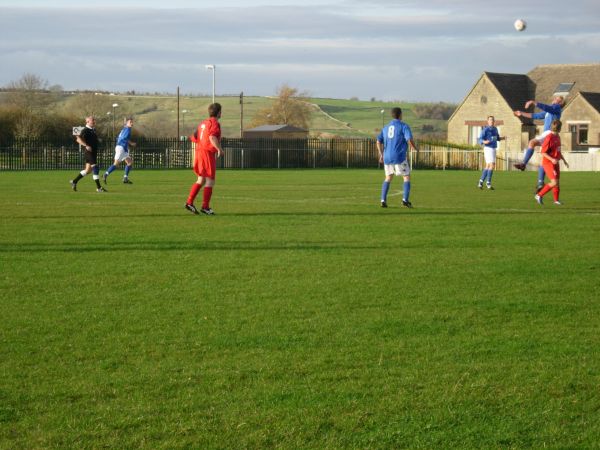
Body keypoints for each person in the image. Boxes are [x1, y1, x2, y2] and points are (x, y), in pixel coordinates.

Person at [513, 95, 564, 190]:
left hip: (550, 134)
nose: (554, 99)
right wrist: (521, 113)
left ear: (560, 103)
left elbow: (546, 107)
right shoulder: (549, 112)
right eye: (555, 98)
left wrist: (533, 102)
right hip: (548, 135)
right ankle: (540, 183)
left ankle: (523, 164)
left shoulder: (556, 108)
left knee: (532, 142)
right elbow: (535, 116)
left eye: (557, 99)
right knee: (543, 161)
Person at [185, 103, 224, 215]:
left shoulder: (203, 123)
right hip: (207, 153)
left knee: (201, 180)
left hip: (199, 152)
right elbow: (212, 137)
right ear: (218, 112)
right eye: (221, 111)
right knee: (210, 181)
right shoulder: (214, 123)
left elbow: (194, 137)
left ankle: (189, 202)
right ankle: (205, 207)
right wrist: (219, 149)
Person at [376, 107, 419, 208]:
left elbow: (378, 141)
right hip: (398, 156)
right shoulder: (403, 126)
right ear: (400, 115)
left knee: (388, 177)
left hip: (387, 157)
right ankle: (405, 200)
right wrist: (414, 147)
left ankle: (383, 200)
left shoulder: (386, 127)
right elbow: (409, 139)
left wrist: (381, 154)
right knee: (406, 176)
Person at [535, 120, 569, 205]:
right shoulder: (549, 137)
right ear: (559, 128)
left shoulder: (558, 137)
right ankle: (539, 195)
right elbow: (543, 152)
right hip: (548, 163)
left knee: (557, 182)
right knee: (554, 182)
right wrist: (552, 159)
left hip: (555, 162)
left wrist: (564, 160)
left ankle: (556, 200)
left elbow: (558, 151)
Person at [69, 116, 106, 192]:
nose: (94, 121)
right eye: (92, 120)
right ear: (87, 121)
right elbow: (78, 139)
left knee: (87, 171)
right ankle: (98, 188)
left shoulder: (93, 130)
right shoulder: (85, 130)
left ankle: (74, 181)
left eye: (94, 120)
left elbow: (92, 139)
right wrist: (86, 145)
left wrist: (98, 140)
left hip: (93, 152)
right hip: (89, 152)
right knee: (95, 168)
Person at [103, 117, 136, 184]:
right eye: (130, 122)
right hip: (121, 148)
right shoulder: (127, 129)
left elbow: (119, 137)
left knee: (129, 162)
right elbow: (124, 138)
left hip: (123, 148)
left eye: (132, 122)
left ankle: (125, 178)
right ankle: (105, 174)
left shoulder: (124, 128)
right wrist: (131, 143)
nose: (132, 123)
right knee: (116, 164)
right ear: (127, 123)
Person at [477, 115, 505, 190]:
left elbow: (496, 138)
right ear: (488, 121)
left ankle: (480, 181)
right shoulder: (485, 129)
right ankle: (488, 182)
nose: (491, 121)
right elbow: (480, 139)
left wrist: (502, 138)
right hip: (488, 148)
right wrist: (484, 141)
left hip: (493, 148)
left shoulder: (495, 129)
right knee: (492, 165)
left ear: (494, 121)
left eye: (492, 120)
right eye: (490, 120)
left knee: (488, 166)